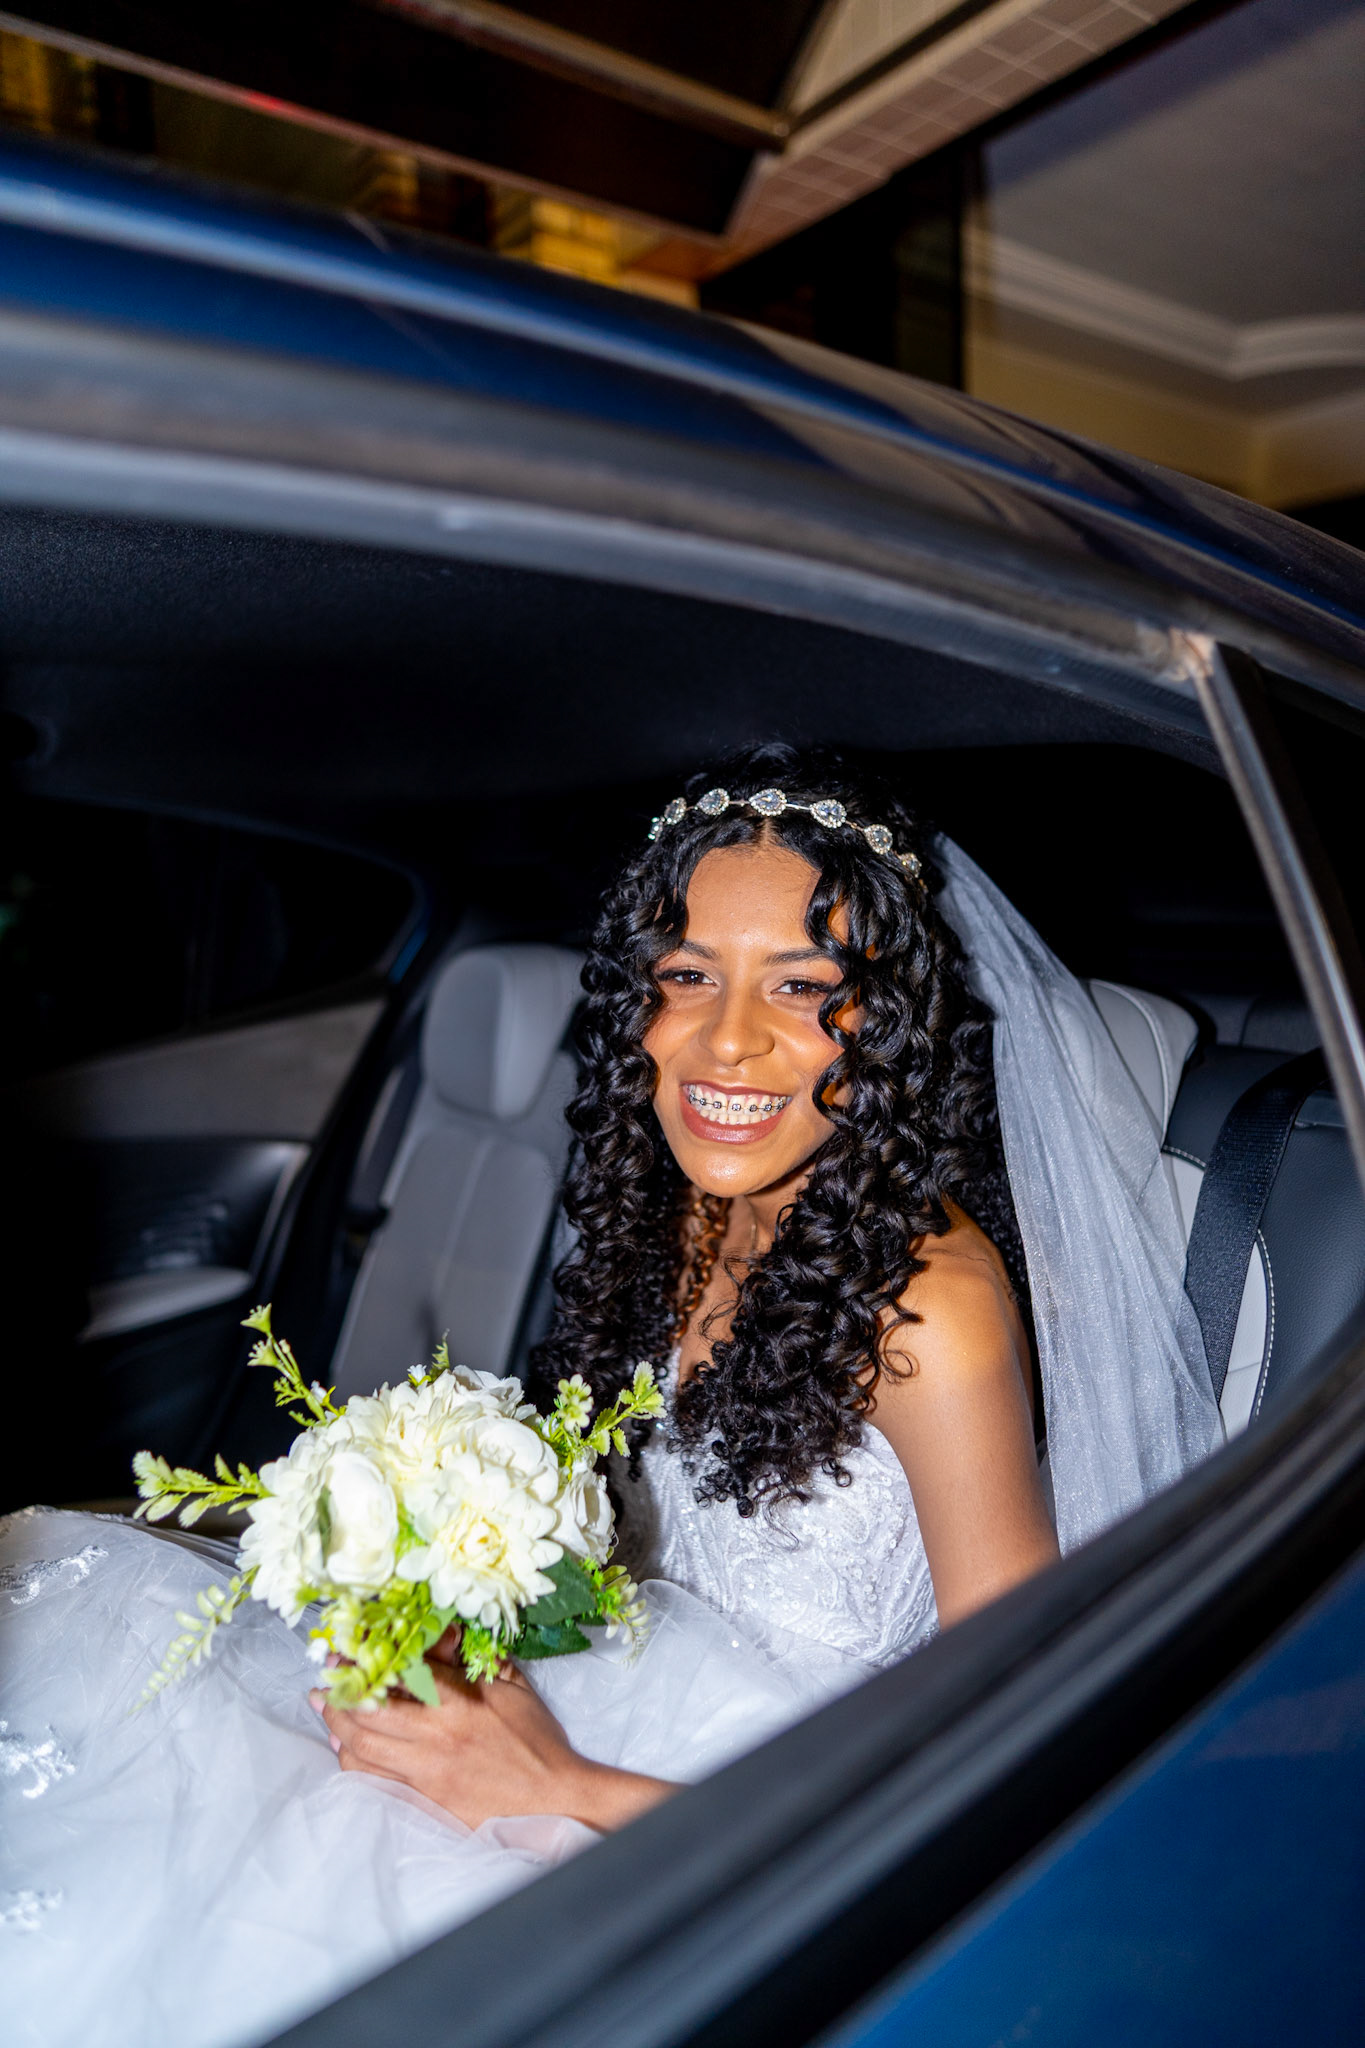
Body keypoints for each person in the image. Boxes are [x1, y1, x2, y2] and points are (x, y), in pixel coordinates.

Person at [0, 747, 1220, 2048]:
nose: (727, 1038)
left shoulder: (931, 1314)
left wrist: (564, 1784)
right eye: (687, 975)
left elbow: (1024, 1752)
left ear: (887, 1024)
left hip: (755, 1806)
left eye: (802, 987)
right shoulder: (697, 1207)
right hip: (614, 1673)